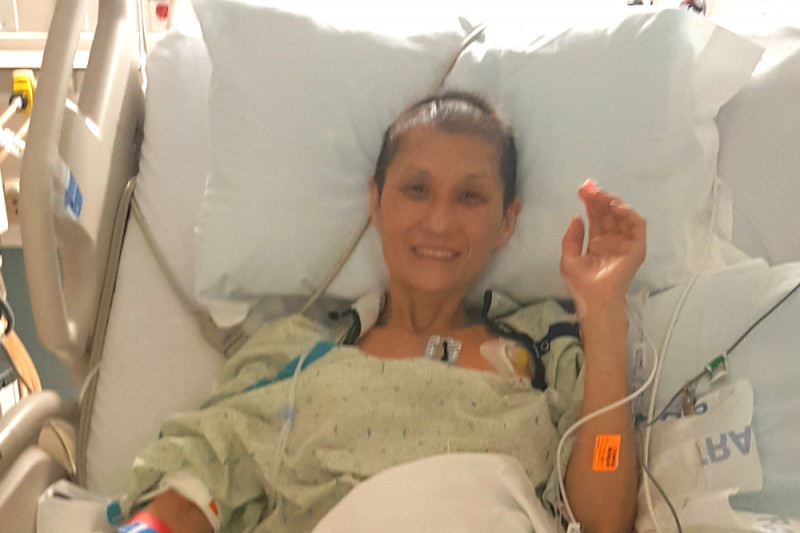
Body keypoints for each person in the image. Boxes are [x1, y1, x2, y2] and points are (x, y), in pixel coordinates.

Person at [119, 91, 645, 533]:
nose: (438, 221)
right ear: (376, 202)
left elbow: (602, 518)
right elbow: (199, 480)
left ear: (507, 220)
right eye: (417, 190)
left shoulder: (549, 352)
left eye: (469, 197)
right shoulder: (296, 357)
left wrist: (602, 311)